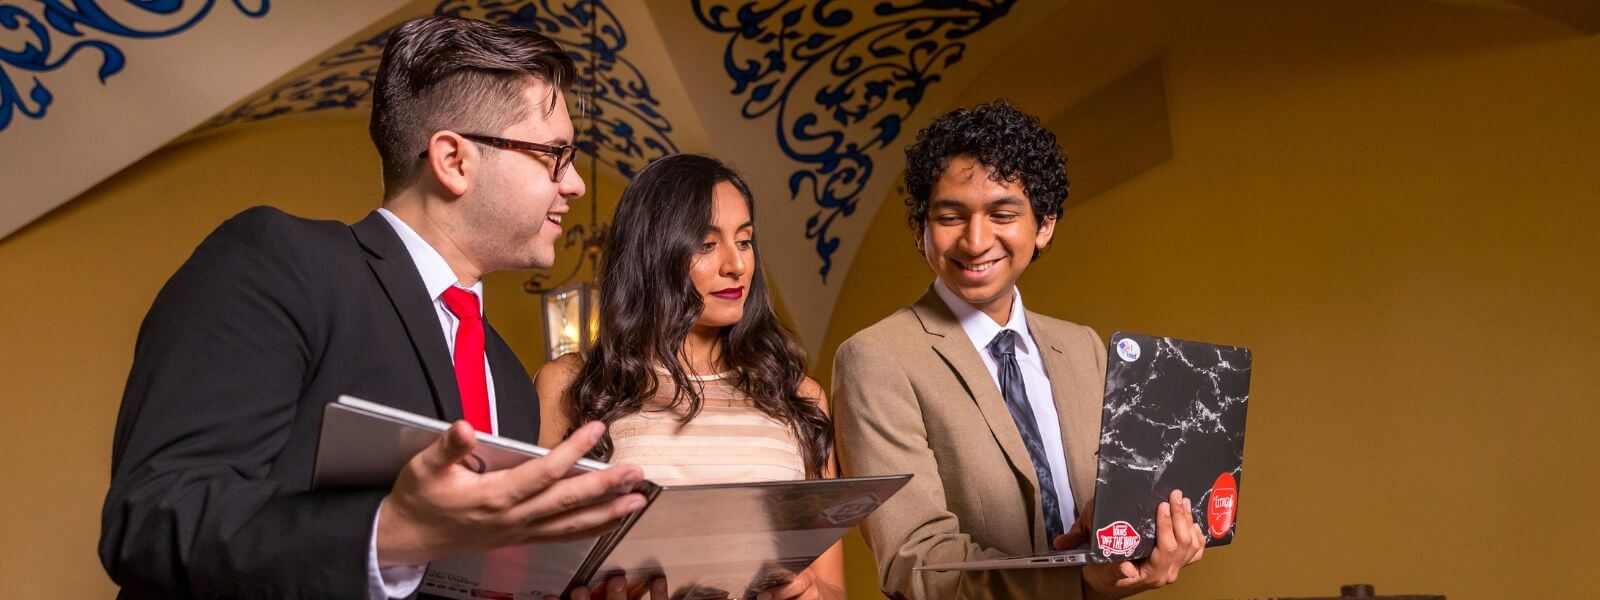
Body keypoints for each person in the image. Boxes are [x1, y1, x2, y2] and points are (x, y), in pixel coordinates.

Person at [99, 17, 649, 599]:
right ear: (454, 161)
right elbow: (153, 519)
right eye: (554, 155)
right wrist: (388, 532)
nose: (576, 186)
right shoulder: (280, 262)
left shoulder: (510, 380)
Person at [832, 100, 1207, 599]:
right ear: (920, 229)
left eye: (1003, 213)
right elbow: (917, 563)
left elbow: (1108, 521)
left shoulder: (1084, 348)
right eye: (950, 215)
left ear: (1044, 225)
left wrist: (1143, 531)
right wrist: (1077, 580)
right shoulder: (876, 358)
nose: (975, 239)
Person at [533, 154, 845, 600]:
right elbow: (534, 577)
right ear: (654, 253)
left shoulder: (797, 395)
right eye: (705, 244)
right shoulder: (570, 385)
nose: (736, 265)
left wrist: (811, 592)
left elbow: (835, 588)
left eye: (745, 240)